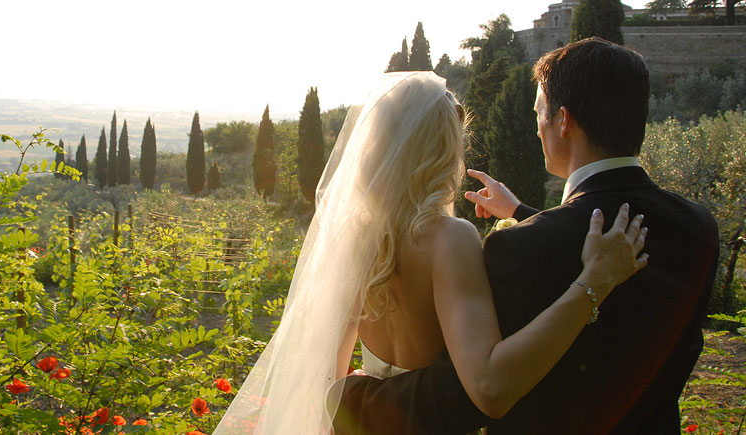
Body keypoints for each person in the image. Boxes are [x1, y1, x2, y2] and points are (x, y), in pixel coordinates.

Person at [214, 66, 649, 434]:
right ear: (444, 150)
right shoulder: (449, 239)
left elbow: (323, 372)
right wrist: (594, 281)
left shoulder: (357, 237)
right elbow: (490, 386)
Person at [333, 38, 719, 434]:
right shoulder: (700, 227)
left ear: (563, 121)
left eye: (539, 113)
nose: (536, 129)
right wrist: (521, 214)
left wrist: (346, 401)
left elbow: (472, 390)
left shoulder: (518, 248)